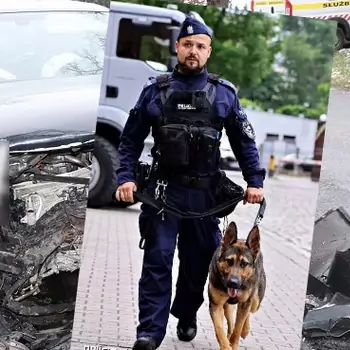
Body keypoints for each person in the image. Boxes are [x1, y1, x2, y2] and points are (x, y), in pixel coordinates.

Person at [114, 17, 266, 350]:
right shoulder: (156, 90)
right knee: (158, 260)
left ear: (208, 51)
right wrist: (124, 177)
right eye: (187, 45)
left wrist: (254, 181)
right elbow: (129, 141)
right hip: (163, 195)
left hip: (203, 198)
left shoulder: (223, 94)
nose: (193, 51)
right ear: (177, 48)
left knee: (198, 265)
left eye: (200, 46)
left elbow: (244, 142)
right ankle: (150, 333)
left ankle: (185, 315)